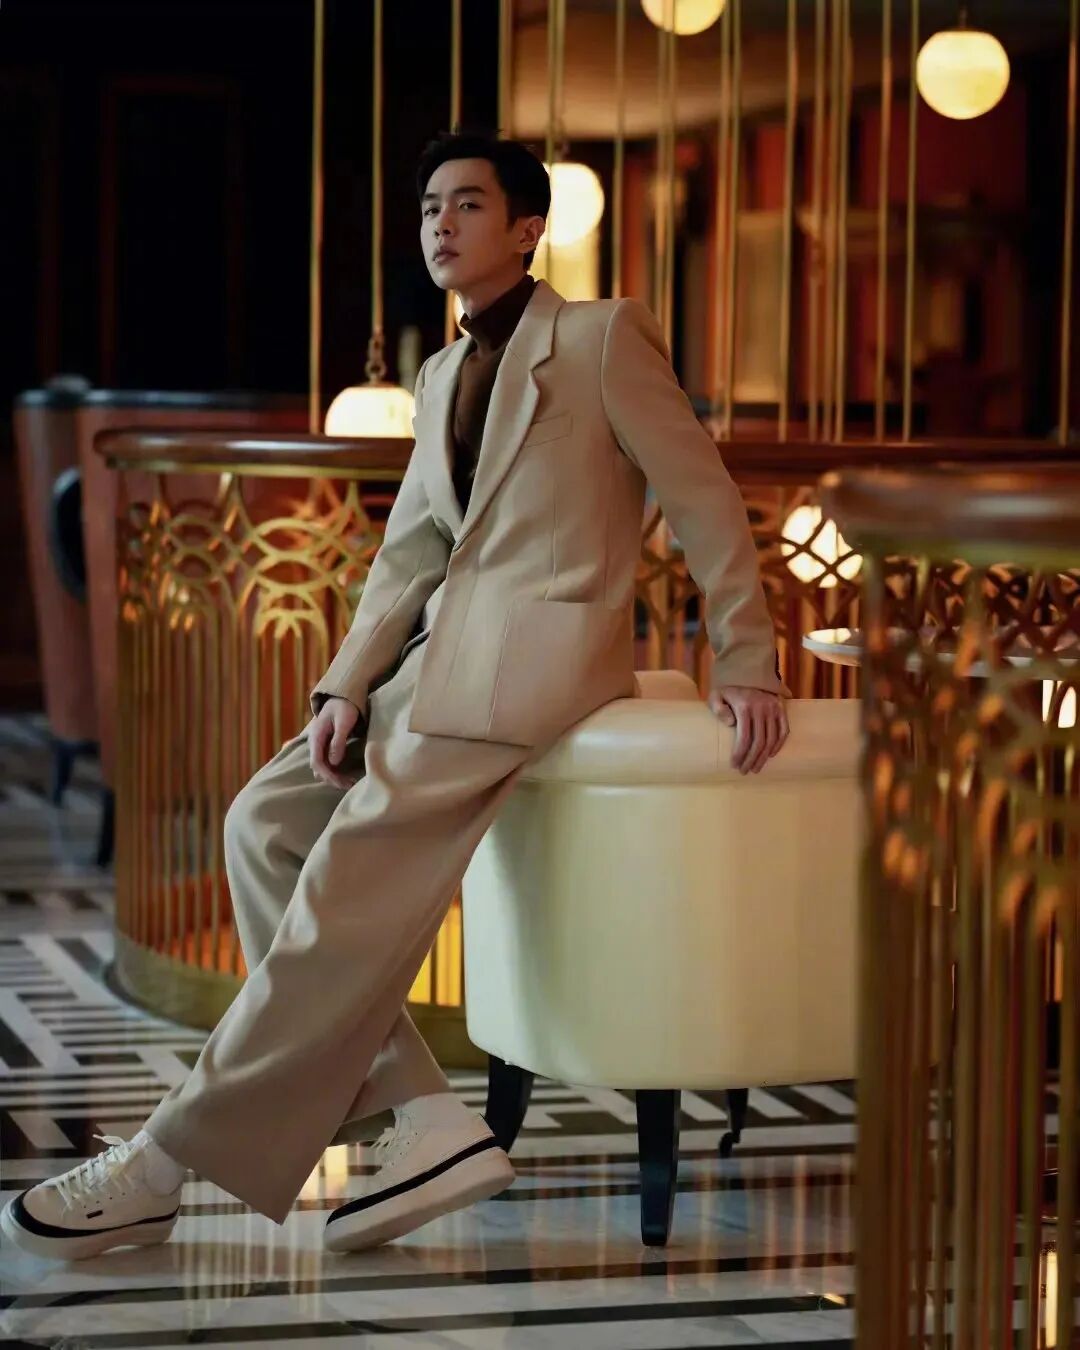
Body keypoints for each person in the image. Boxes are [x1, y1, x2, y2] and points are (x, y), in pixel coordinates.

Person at [1, 130, 789, 1262]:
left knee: (339, 887)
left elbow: (702, 495)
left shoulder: (601, 336)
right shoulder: (438, 373)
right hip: (426, 670)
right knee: (261, 826)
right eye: (428, 208)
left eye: (466, 204)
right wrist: (346, 684)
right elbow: (412, 552)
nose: (439, 225)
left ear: (528, 227)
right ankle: (425, 1120)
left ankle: (163, 1162)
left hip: (532, 666)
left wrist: (749, 658)